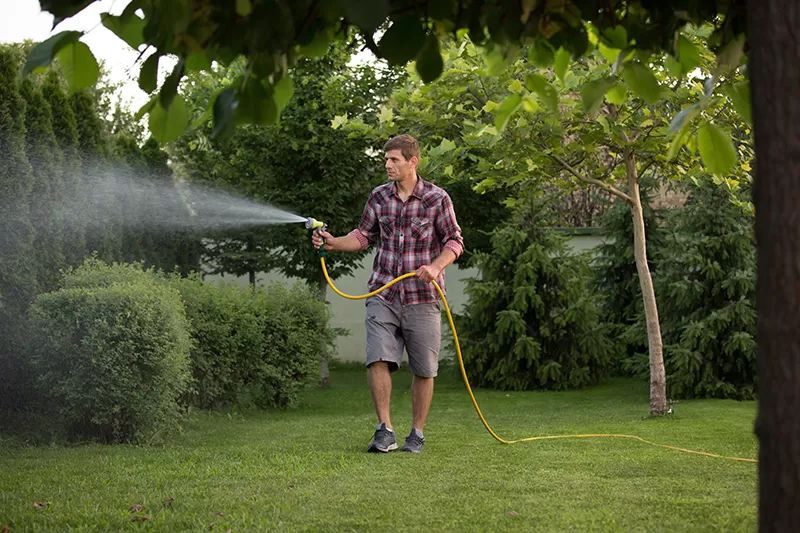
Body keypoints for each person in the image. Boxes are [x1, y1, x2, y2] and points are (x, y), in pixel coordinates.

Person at [312, 134, 464, 454]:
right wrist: (332, 242)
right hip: (383, 291)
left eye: (394, 159)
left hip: (423, 296)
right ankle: (385, 430)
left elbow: (454, 242)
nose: (387, 164)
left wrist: (436, 267)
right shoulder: (379, 197)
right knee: (377, 357)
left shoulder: (437, 199)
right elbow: (362, 236)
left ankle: (417, 433)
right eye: (386, 159)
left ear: (413, 161)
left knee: (424, 369)